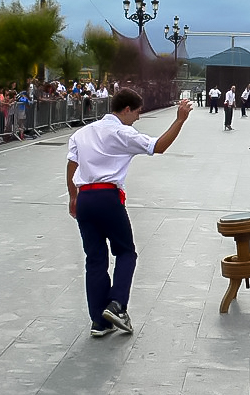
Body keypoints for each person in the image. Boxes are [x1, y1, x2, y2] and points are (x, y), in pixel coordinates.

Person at [66, 90, 192, 336]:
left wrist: (73, 197)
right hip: (107, 196)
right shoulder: (122, 132)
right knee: (126, 252)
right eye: (136, 113)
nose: (137, 118)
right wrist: (179, 120)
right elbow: (159, 146)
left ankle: (98, 321)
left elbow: (72, 166)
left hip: (85, 198)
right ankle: (117, 304)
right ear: (126, 109)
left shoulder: (81, 133)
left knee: (95, 260)